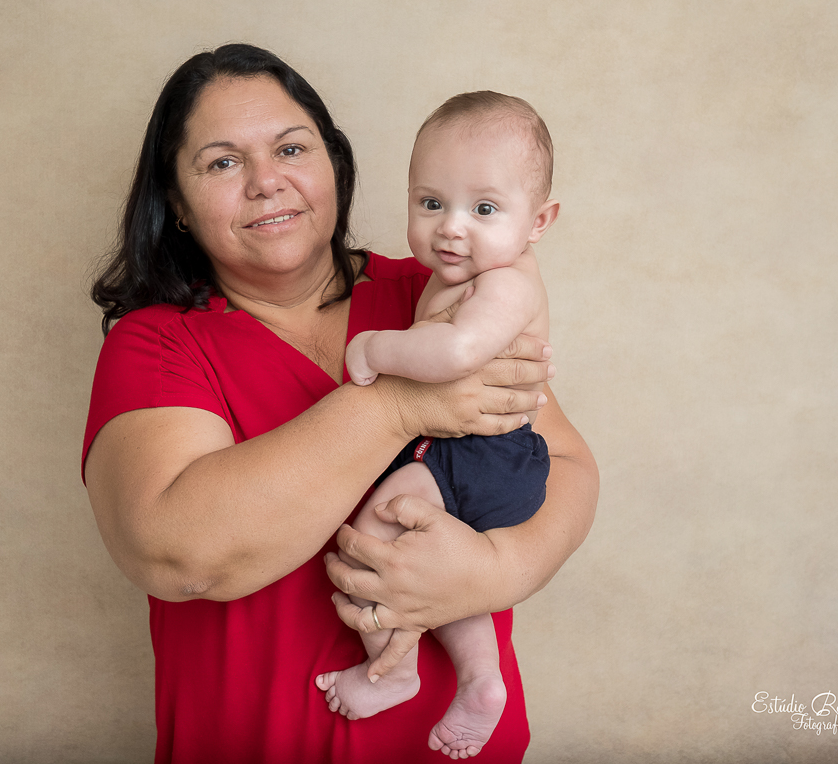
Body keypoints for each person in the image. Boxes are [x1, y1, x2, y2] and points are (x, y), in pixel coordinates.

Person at [82, 43, 598, 764]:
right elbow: (177, 552)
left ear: (335, 165)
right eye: (223, 162)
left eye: (291, 148)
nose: (268, 182)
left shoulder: (436, 290)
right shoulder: (158, 346)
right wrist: (396, 408)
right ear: (175, 202)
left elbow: (565, 464)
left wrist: (496, 570)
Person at [316, 91, 558, 759]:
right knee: (447, 573)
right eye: (431, 203)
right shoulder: (466, 273)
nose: (452, 227)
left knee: (373, 535)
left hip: (485, 455)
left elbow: (454, 354)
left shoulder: (507, 283)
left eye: (484, 209)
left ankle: (392, 671)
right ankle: (482, 680)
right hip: (482, 458)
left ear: (539, 222)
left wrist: (374, 350)